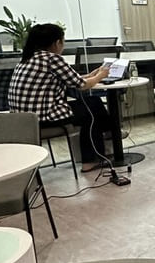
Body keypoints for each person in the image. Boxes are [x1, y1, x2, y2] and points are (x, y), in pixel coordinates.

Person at [8, 23, 110, 173]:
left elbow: (72, 79)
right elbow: (82, 85)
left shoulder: (27, 59)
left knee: (91, 104)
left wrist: (92, 75)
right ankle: (97, 151)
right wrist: (101, 76)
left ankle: (108, 134)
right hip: (44, 117)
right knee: (92, 108)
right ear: (57, 43)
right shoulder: (52, 59)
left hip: (22, 119)